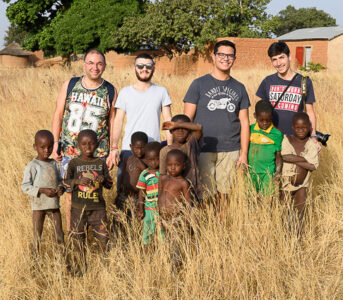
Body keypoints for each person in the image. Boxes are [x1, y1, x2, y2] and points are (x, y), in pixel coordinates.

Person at [52, 49, 117, 232]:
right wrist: (56, 142)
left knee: (94, 194)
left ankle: (95, 235)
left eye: (99, 63)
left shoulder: (110, 90)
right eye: (90, 63)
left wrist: (113, 149)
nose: (94, 68)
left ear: (104, 65)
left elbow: (111, 122)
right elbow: (58, 113)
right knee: (71, 195)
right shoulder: (71, 84)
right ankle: (74, 235)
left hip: (98, 153)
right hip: (70, 151)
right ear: (84, 64)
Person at [183, 40, 250, 197]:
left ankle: (221, 222)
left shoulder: (239, 87)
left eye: (229, 55)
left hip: (231, 149)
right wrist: (187, 149)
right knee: (203, 194)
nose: (225, 58)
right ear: (213, 57)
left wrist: (244, 153)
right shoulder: (198, 84)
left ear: (234, 58)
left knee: (225, 194)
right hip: (203, 148)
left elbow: (245, 122)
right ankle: (207, 222)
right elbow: (187, 119)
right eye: (221, 54)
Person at [111, 53, 172, 187]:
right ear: (134, 68)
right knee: (125, 188)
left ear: (153, 68)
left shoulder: (161, 91)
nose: (144, 69)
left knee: (153, 190)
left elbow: (168, 121)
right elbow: (118, 121)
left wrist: (171, 147)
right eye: (140, 66)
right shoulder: (125, 92)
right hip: (129, 148)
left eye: (148, 66)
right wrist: (114, 147)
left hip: (153, 151)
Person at [63, 129, 113, 262]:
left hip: (98, 210)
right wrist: (77, 181)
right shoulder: (74, 163)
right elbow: (65, 183)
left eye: (91, 143)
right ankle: (80, 264)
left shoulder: (100, 163)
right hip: (78, 209)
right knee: (78, 238)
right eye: (84, 144)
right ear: (78, 145)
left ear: (97, 144)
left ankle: (105, 265)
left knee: (103, 238)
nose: (88, 147)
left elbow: (110, 184)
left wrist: (103, 179)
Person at [256, 41, 318, 139]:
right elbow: (260, 111)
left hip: (296, 139)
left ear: (289, 56)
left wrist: (313, 135)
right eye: (274, 60)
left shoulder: (304, 82)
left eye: (281, 57)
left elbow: (309, 111)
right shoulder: (267, 81)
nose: (278, 63)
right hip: (271, 138)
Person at [21, 130, 64, 253]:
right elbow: (25, 186)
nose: (47, 150)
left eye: (50, 147)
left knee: (59, 236)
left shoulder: (54, 164)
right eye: (42, 147)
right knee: (37, 237)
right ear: (35, 147)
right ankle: (35, 264)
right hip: (38, 206)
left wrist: (61, 188)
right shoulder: (33, 165)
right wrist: (42, 190)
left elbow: (60, 180)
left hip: (54, 206)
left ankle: (61, 264)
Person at [281, 112, 319, 233]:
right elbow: (285, 157)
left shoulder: (311, 144)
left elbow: (313, 166)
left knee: (300, 212)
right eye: (298, 128)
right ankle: (284, 234)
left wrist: (295, 159)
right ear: (293, 127)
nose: (301, 130)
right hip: (286, 183)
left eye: (304, 128)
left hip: (302, 185)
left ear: (309, 127)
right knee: (283, 209)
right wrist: (304, 160)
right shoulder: (287, 139)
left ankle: (297, 236)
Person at [158, 149, 192, 268]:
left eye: (176, 165)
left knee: (175, 244)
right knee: (166, 242)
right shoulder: (163, 179)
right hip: (163, 219)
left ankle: (175, 267)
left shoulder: (183, 183)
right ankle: (167, 264)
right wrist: (159, 215)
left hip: (176, 220)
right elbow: (160, 197)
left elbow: (188, 203)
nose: (173, 168)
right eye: (170, 165)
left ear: (183, 166)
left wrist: (187, 219)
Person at [159, 114, 203, 202]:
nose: (180, 131)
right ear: (171, 131)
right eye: (176, 129)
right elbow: (162, 176)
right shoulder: (164, 151)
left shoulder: (191, 144)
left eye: (184, 128)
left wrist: (176, 125)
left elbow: (199, 128)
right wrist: (160, 198)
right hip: (173, 195)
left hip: (192, 190)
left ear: (189, 131)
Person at [248, 100, 283, 196]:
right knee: (249, 198)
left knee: (267, 199)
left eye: (268, 120)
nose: (264, 123)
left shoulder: (277, 134)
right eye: (261, 120)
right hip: (250, 172)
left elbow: (278, 155)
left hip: (268, 173)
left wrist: (278, 172)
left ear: (272, 117)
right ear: (255, 116)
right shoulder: (249, 130)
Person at [136, 142, 164, 245]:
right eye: (150, 160)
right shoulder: (144, 174)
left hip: (162, 209)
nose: (154, 163)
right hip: (148, 209)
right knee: (147, 229)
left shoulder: (164, 172)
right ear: (146, 160)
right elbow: (141, 192)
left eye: (157, 159)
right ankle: (145, 248)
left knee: (162, 230)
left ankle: (162, 249)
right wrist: (140, 208)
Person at [115, 131, 148, 214]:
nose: (139, 151)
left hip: (137, 197)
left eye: (143, 148)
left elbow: (146, 177)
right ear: (131, 147)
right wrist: (119, 190)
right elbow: (122, 175)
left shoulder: (146, 162)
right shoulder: (127, 159)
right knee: (120, 216)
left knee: (134, 217)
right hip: (124, 195)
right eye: (136, 148)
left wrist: (140, 163)